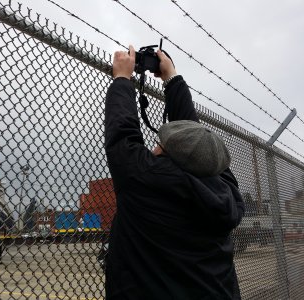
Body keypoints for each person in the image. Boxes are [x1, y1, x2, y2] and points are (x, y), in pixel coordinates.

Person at [104, 45, 245, 300]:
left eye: (161, 144)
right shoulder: (227, 192)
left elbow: (122, 134)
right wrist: (172, 80)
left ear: (167, 154)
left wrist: (122, 79)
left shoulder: (146, 181)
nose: (155, 147)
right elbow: (196, 140)